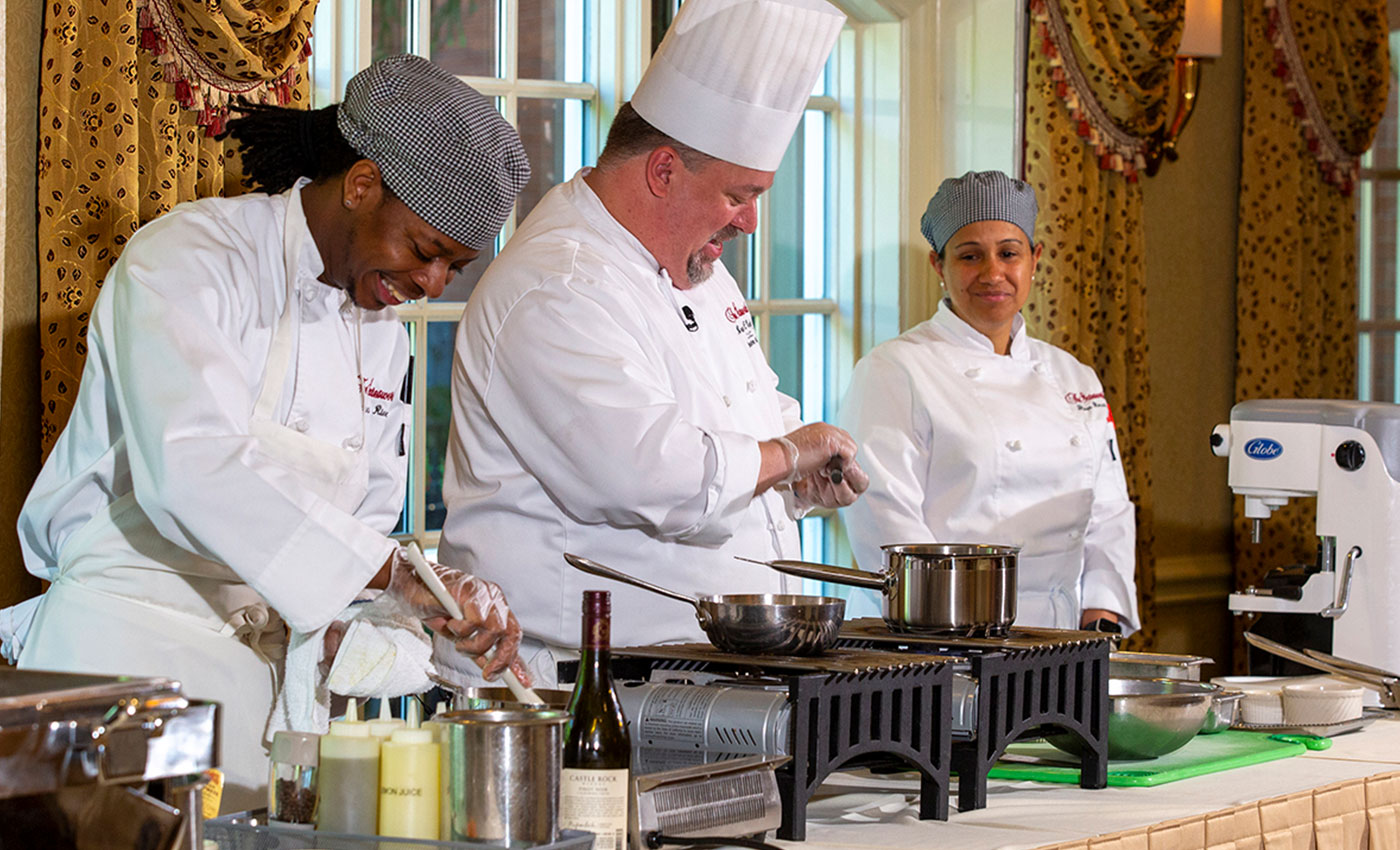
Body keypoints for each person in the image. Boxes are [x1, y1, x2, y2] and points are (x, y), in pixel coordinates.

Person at [7, 55, 532, 810]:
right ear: (361, 186)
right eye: (424, 250)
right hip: (119, 676)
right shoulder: (188, 260)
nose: (432, 285)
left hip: (265, 711)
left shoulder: (382, 334)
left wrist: (430, 623)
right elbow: (192, 471)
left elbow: (353, 535)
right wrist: (398, 576)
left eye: (455, 265)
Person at [438, 0, 868, 683]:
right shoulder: (558, 286)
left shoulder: (699, 268)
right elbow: (649, 478)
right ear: (664, 171)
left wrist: (797, 475)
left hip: (698, 677)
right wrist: (785, 455)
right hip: (580, 686)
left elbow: (749, 412)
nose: (751, 221)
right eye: (738, 194)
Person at [840, 170, 1140, 634]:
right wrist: (949, 629)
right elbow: (885, 521)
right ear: (938, 266)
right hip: (951, 638)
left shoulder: (1073, 375)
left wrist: (1102, 613)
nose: (992, 273)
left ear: (1035, 259)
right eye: (970, 256)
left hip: (1068, 639)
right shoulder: (895, 370)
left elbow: (1109, 511)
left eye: (1008, 253)